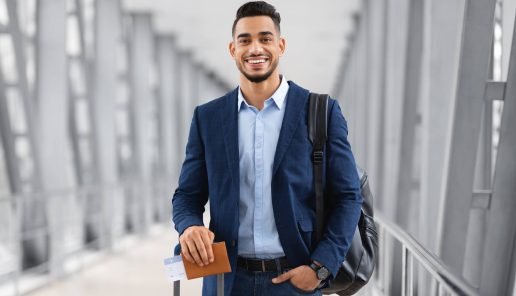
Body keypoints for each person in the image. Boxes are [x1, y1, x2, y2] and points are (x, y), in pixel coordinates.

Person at [172, 1, 362, 295]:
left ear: (281, 45)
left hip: (294, 281)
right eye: (244, 40)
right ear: (232, 49)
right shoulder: (207, 118)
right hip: (226, 281)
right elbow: (187, 195)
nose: (255, 48)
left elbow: (349, 196)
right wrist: (189, 227)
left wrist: (321, 268)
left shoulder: (321, 111)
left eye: (265, 38)